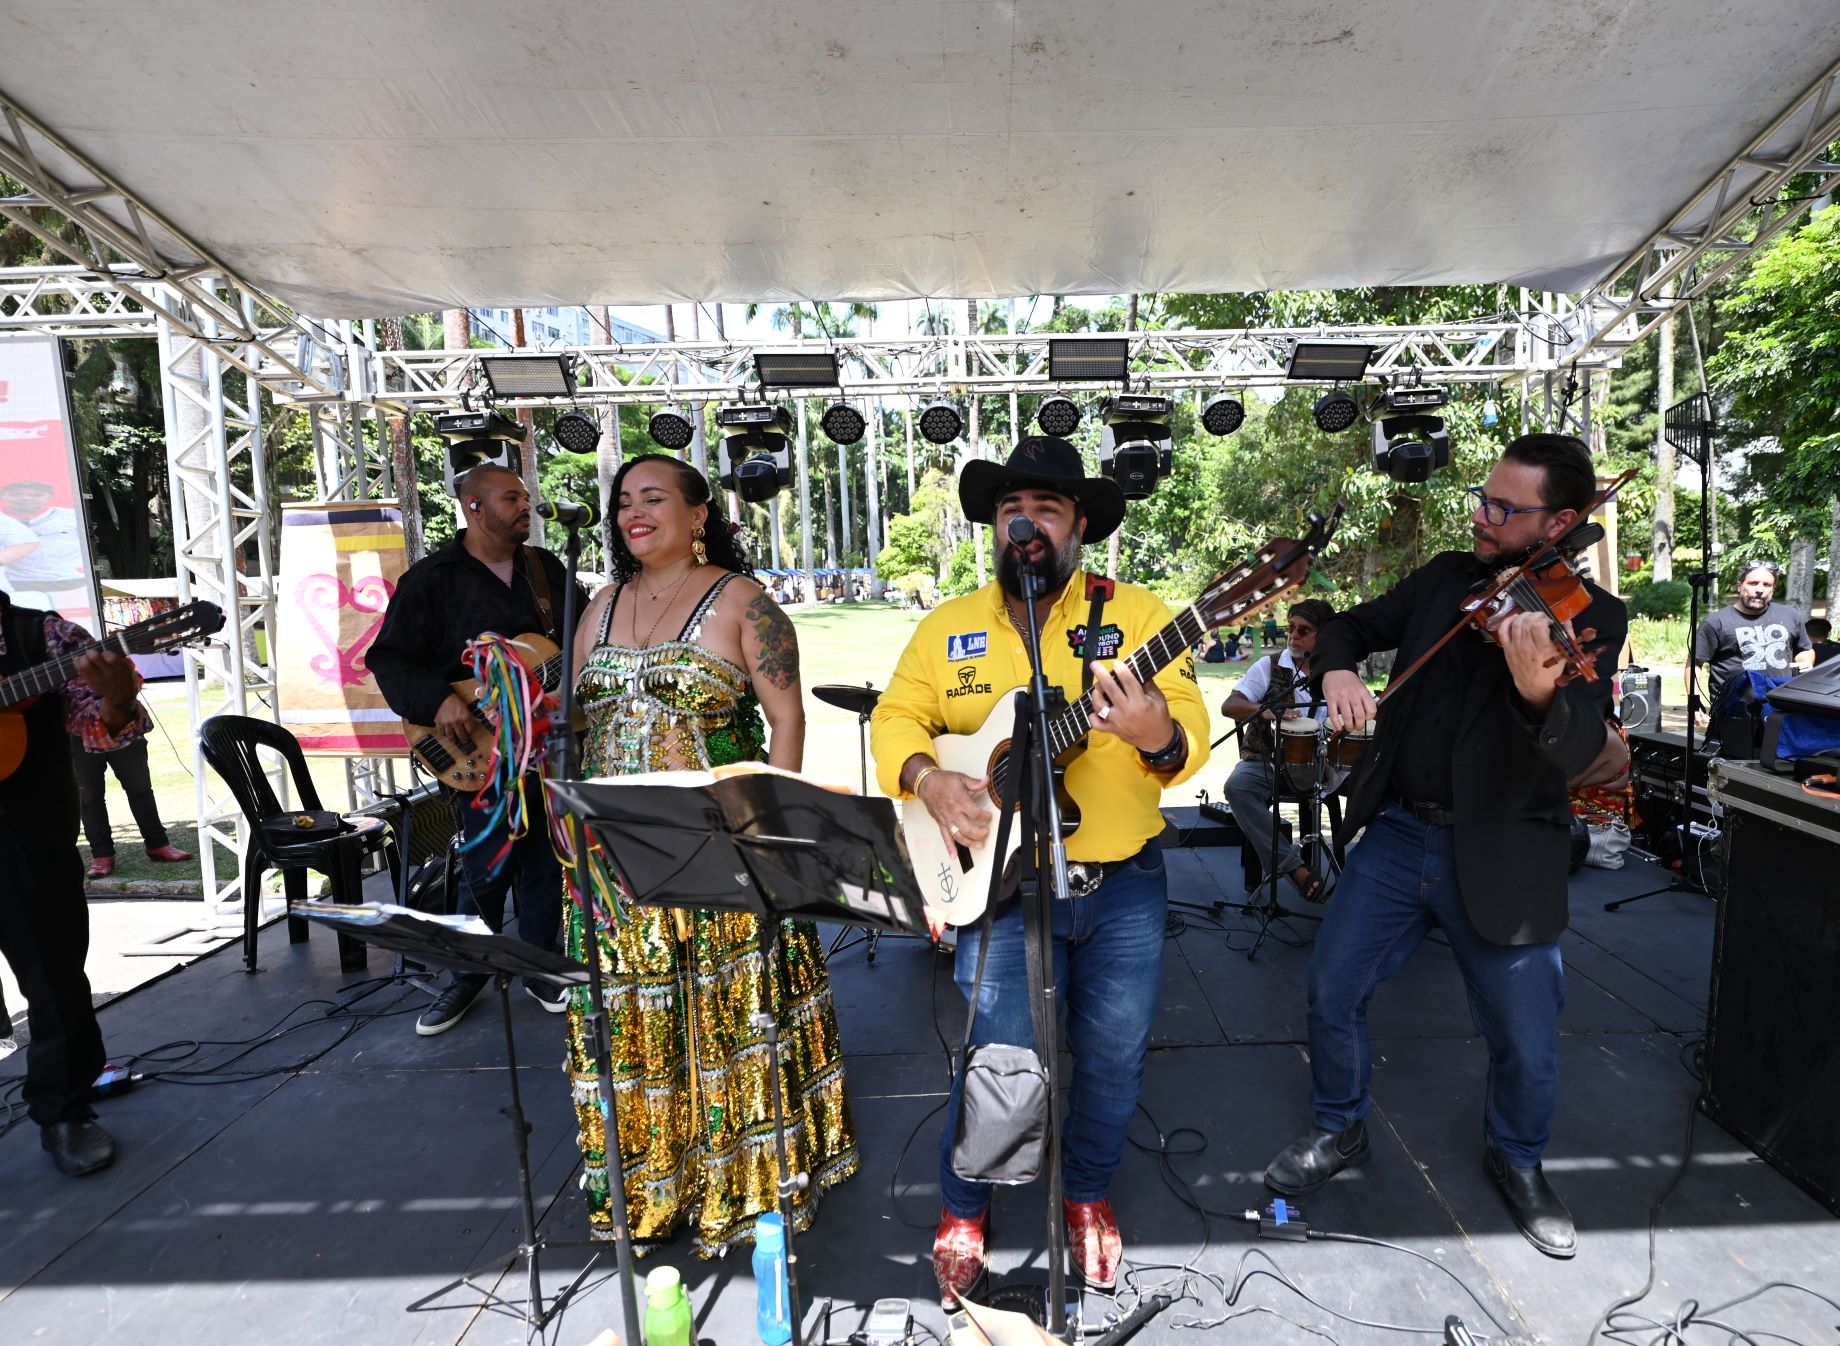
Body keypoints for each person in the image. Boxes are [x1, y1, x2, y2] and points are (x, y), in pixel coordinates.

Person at [1261, 433, 1631, 1261]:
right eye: (1483, 498)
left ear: (1562, 521)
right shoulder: (1444, 582)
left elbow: (1580, 752)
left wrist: (1541, 696)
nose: (1482, 515)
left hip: (1506, 850)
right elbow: (1344, 626)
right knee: (1332, 987)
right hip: (1399, 831)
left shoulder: (1592, 617)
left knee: (1525, 1035)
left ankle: (1520, 1159)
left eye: (1505, 508)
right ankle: (1340, 1127)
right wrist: (1337, 671)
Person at [871, 435, 1211, 1307]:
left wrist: (1154, 737)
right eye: (1010, 509)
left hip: (1121, 888)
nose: (1025, 523)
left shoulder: (1136, 618)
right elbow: (896, 719)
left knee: (1110, 1059)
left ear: (1081, 526)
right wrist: (929, 778)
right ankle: (963, 1209)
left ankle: (1087, 1195)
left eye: (1046, 509)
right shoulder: (950, 625)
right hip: (997, 888)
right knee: (996, 1059)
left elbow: (1187, 738)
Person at [563, 453, 856, 1254]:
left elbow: (787, 719)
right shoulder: (597, 606)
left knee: (730, 1012)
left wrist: (768, 829)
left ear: (699, 514)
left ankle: (748, 1182)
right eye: (624, 501)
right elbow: (583, 719)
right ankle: (659, 1180)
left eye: (653, 498)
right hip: (616, 855)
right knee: (636, 1015)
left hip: (720, 841)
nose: (633, 513)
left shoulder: (743, 602)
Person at [364, 464, 588, 1034]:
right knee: (483, 864)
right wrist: (438, 699)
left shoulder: (547, 570)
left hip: (546, 748)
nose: (524, 506)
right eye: (511, 498)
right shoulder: (432, 579)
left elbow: (586, 642)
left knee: (543, 858)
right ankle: (467, 974)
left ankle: (540, 966)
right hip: (474, 754)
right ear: (474, 507)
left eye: (525, 496)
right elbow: (387, 659)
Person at [0, 589, 151, 1176]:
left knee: (54, 976)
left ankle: (65, 1111)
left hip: (23, 830)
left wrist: (118, 696)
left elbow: (99, 727)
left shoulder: (45, 638)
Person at [1220, 597, 1337, 900]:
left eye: (1304, 630)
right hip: (1268, 763)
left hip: (1323, 767)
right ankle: (1295, 868)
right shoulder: (1270, 666)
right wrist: (1266, 710)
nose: (1294, 636)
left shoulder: (1336, 672)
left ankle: (1365, 880)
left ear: (1322, 635)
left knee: (1377, 785)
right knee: (1237, 787)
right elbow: (1230, 705)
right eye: (1291, 628)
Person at [1690, 561, 1813, 716]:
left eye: (1767, 584)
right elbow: (1695, 663)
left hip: (1782, 706)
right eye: (1753, 583)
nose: (1760, 589)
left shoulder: (1790, 615)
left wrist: (1806, 661)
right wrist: (1694, 702)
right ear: (1740, 585)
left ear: (1773, 589)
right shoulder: (1717, 621)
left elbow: (1805, 649)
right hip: (1733, 709)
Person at [73, 730, 192, 878]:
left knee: (140, 787)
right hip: (80, 727)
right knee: (89, 796)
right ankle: (101, 854)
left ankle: (157, 844)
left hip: (122, 721)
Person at [0, 481, 89, 607]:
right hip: (18, 586)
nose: (26, 498)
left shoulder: (72, 517)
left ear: (49, 497)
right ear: (4, 496)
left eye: (36, 495)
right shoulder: (4, 520)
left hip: (71, 584)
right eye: (17, 494)